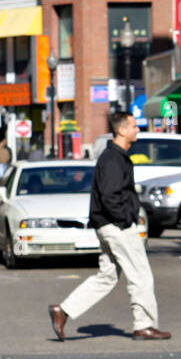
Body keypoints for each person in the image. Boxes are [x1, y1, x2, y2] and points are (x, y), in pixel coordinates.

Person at [47, 112, 171, 342]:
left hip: (108, 225)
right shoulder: (114, 159)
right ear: (121, 130)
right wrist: (125, 219)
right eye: (134, 126)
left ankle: (63, 311)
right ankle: (144, 325)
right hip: (117, 226)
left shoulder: (114, 157)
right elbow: (110, 196)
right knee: (140, 275)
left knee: (106, 277)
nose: (137, 130)